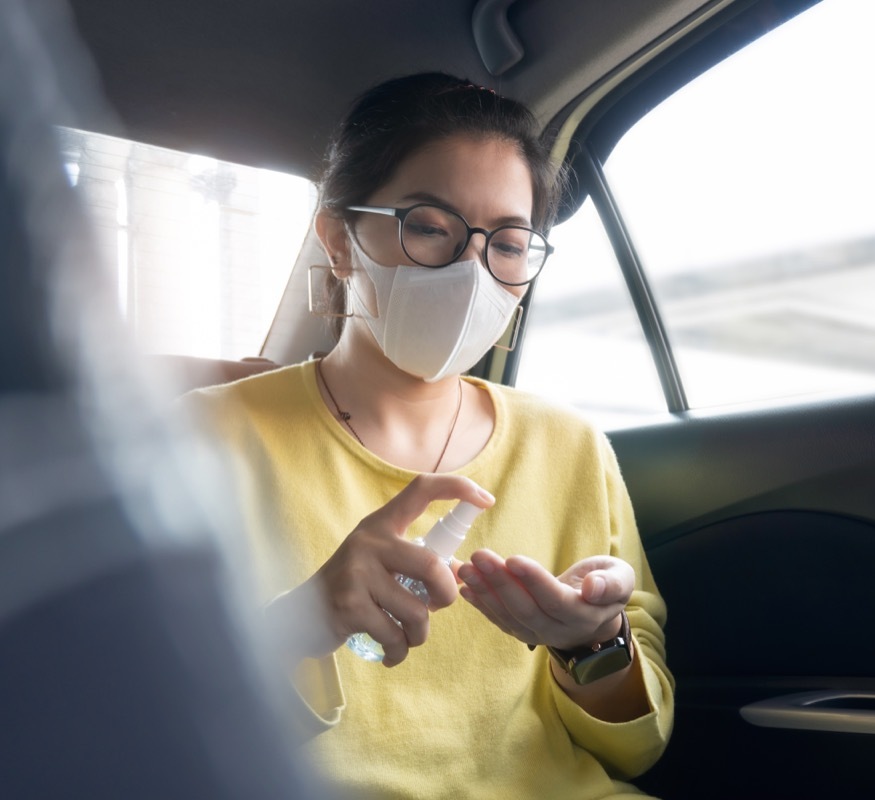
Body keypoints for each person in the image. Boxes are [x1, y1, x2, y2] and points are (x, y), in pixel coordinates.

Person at [180, 72, 673, 799]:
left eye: (508, 244)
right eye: (431, 228)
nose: (472, 272)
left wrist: (591, 644)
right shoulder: (201, 439)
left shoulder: (569, 445)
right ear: (338, 240)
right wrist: (297, 626)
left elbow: (637, 747)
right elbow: (133, 724)